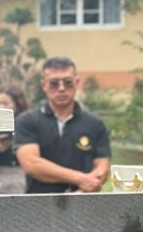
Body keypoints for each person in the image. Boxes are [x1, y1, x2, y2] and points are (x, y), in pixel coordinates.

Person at [13, 56, 111, 195]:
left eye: (68, 82)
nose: (61, 88)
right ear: (44, 85)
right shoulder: (27, 121)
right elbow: (31, 164)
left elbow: (103, 166)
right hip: (39, 206)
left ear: (77, 83)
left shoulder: (95, 124)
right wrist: (80, 179)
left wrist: (82, 189)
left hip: (85, 205)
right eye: (54, 83)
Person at [0, 84, 28, 194]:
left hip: (23, 177)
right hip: (1, 179)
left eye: (6, 103)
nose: (1, 107)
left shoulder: (28, 125)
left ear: (17, 104)